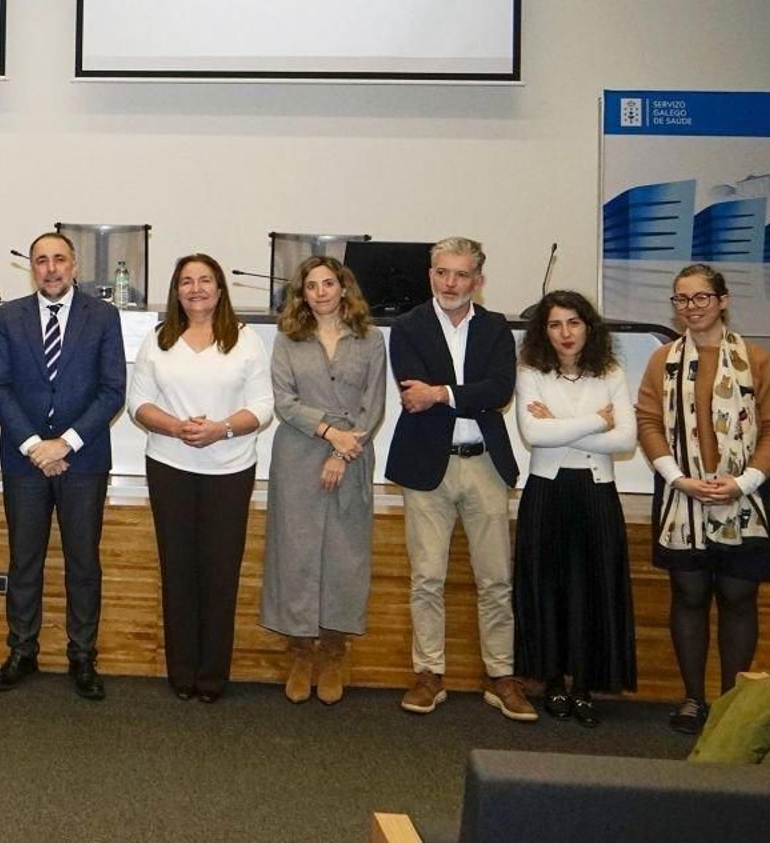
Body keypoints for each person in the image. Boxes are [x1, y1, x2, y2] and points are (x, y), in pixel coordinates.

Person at [634, 264, 770, 734]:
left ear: (722, 301)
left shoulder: (757, 360)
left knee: (739, 598)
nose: (691, 308)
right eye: (682, 299)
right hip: (681, 495)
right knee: (689, 593)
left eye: (701, 298)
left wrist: (744, 481)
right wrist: (677, 478)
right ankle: (693, 699)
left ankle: (729, 705)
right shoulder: (662, 360)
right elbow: (647, 423)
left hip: (746, 497)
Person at [386, 236, 535, 721]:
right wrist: (460, 394)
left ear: (478, 280)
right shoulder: (407, 327)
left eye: (461, 274)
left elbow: (500, 390)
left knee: (496, 579)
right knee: (426, 578)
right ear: (430, 274)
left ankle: (501, 675)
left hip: (486, 465)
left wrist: (443, 392)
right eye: (442, 273)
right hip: (427, 466)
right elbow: (412, 392)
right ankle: (429, 673)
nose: (450, 283)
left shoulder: (495, 329)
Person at [0, 232, 125, 700]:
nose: (50, 268)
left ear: (74, 265)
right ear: (32, 267)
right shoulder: (8, 316)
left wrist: (63, 444)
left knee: (83, 563)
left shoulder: (103, 316)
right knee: (24, 560)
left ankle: (82, 655)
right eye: (41, 261)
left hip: (83, 460)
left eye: (59, 259)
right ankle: (22, 650)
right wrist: (32, 446)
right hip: (24, 461)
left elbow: (112, 390)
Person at [128, 253, 274, 703]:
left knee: (219, 573)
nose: (196, 289)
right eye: (187, 282)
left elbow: (263, 406)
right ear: (176, 291)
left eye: (205, 280)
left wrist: (221, 429)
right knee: (178, 571)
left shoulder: (246, 341)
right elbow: (138, 402)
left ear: (219, 288)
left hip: (229, 470)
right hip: (169, 467)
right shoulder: (158, 339)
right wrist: (176, 427)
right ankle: (182, 673)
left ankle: (212, 676)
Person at [260, 255, 385, 705]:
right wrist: (329, 433)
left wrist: (341, 449)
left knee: (344, 557)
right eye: (311, 286)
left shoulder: (369, 340)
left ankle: (333, 650)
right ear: (302, 293)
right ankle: (299, 651)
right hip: (298, 454)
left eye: (328, 283)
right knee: (294, 554)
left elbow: (374, 406)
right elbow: (284, 402)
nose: (320, 292)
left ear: (343, 288)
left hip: (351, 456)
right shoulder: (287, 339)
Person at [512, 291, 638, 728]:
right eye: (554, 325)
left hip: (596, 492)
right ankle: (553, 682)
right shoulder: (531, 371)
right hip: (546, 491)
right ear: (543, 332)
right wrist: (597, 421)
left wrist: (560, 429)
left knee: (592, 588)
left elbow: (625, 440)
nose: (565, 334)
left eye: (574, 323)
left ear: (589, 327)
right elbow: (533, 434)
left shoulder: (611, 372)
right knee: (547, 586)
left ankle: (584, 685)